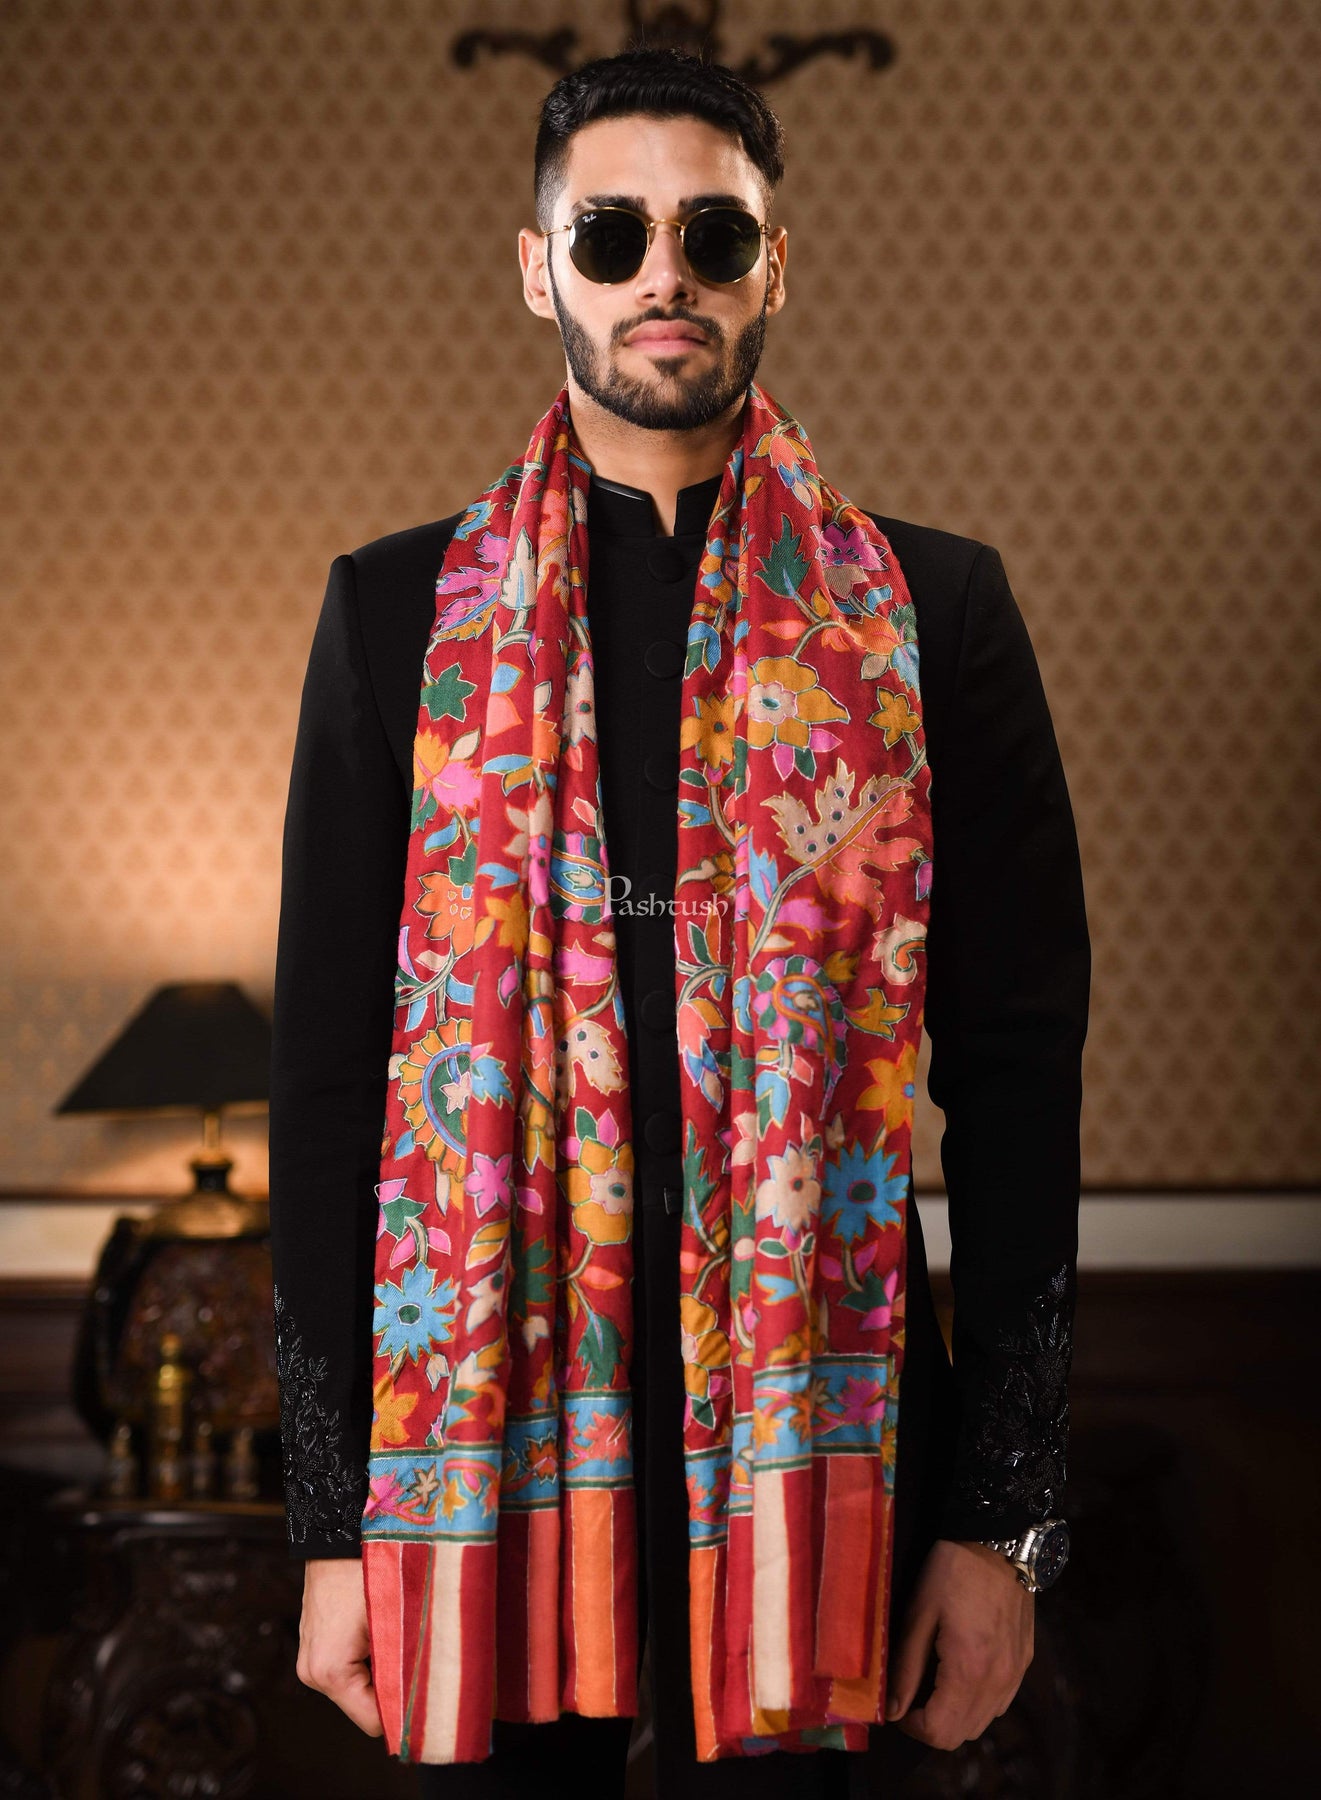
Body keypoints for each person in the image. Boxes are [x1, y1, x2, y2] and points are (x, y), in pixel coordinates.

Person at [269, 46, 1090, 1800]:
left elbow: (1020, 1082)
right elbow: (331, 1084)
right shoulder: (397, 614)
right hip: (482, 1437)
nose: (664, 274)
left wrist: (999, 1519)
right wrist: (333, 1524)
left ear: (771, 266)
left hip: (834, 1441)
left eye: (713, 235)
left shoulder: (933, 613)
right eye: (611, 233)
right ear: (537, 267)